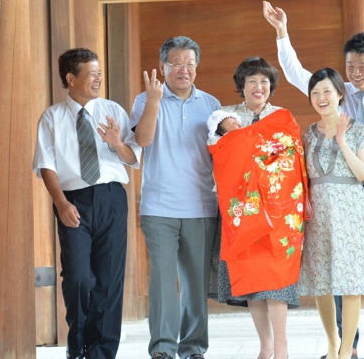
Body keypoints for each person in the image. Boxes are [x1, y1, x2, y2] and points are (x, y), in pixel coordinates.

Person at [263, 0, 364, 359]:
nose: (355, 72)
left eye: (363, 66)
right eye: (350, 67)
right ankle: (345, 344)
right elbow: (297, 73)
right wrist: (282, 32)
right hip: (334, 195)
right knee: (335, 269)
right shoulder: (334, 94)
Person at [32, 48, 141, 359]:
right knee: (79, 277)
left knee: (109, 278)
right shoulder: (52, 117)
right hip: (73, 201)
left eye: (99, 72)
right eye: (92, 73)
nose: (98, 78)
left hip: (111, 197)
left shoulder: (113, 111)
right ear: (71, 78)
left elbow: (133, 158)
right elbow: (46, 165)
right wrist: (61, 203)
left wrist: (117, 144)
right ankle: (77, 342)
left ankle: (100, 352)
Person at [208, 56, 309, 359]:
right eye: (252, 80)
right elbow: (218, 153)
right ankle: (265, 344)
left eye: (264, 81)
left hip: (279, 210)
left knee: (275, 278)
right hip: (243, 209)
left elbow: (294, 160)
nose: (258, 86)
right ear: (242, 85)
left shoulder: (282, 118)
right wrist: (231, 132)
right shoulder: (226, 117)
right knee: (252, 278)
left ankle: (281, 345)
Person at [130, 36, 222, 359]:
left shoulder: (211, 105)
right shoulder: (144, 100)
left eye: (190, 64)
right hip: (158, 208)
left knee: (196, 283)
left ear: (196, 67)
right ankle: (163, 349)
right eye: (176, 64)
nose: (184, 70)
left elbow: (220, 155)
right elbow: (142, 140)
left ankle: (194, 348)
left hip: (201, 207)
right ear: (162, 67)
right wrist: (155, 101)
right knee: (163, 282)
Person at [300, 68, 364, 359]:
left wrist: (342, 140)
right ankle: (332, 345)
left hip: (350, 213)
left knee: (350, 283)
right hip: (318, 214)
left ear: (340, 94)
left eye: (327, 91)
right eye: (315, 93)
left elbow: (362, 173)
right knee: (322, 282)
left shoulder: (357, 130)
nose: (321, 97)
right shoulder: (306, 133)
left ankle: (346, 351)